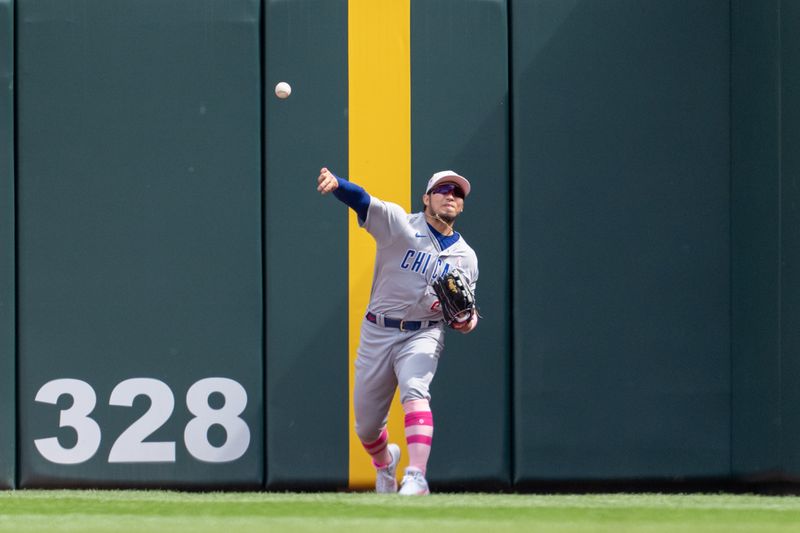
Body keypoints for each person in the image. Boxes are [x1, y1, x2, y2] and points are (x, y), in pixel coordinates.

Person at [317, 167, 479, 495]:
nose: (450, 195)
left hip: (424, 333)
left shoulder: (466, 257)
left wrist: (467, 322)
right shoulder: (400, 225)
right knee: (365, 427)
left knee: (415, 389)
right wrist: (338, 185)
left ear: (461, 206)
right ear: (426, 198)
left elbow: (468, 313)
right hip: (379, 330)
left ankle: (416, 475)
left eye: (457, 193)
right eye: (443, 189)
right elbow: (363, 201)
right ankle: (384, 463)